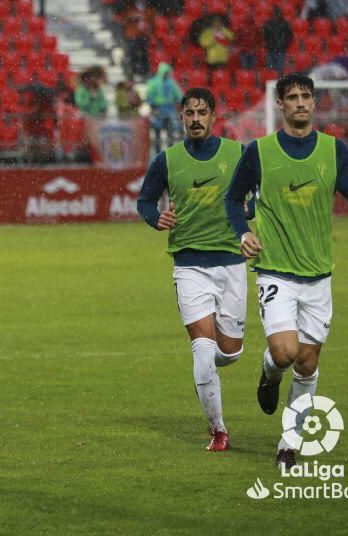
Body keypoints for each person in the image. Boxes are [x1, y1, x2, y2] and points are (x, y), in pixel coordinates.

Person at [225, 73, 348, 470]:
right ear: (280, 104)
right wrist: (243, 231)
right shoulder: (259, 151)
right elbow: (232, 198)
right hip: (276, 270)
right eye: (292, 97)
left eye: (306, 96)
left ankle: (287, 444)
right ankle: (269, 373)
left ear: (314, 102)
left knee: (308, 362)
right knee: (284, 351)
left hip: (318, 275)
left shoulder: (333, 150)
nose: (300, 102)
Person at [137, 88, 249, 451]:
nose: (196, 118)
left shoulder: (237, 154)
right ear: (181, 117)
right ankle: (218, 430)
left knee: (229, 352)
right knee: (202, 352)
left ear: (213, 115)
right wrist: (157, 217)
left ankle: (212, 363)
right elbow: (144, 200)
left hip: (231, 262)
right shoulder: (167, 160)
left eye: (202, 112)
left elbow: (261, 192)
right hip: (189, 264)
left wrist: (249, 213)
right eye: (190, 113)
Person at [146, 62, 183, 155]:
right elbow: (149, 95)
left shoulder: (171, 82)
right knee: (157, 131)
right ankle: (158, 152)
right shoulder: (154, 82)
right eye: (165, 72)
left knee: (170, 132)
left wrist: (181, 102)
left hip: (170, 109)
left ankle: (169, 153)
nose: (167, 74)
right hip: (158, 109)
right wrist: (153, 106)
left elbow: (179, 94)